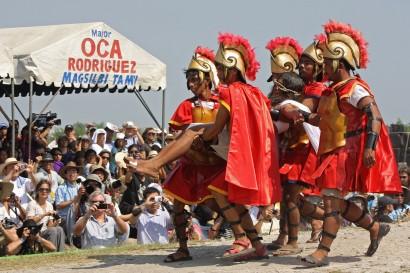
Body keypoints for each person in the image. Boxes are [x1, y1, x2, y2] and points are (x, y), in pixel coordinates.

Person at [134, 33, 282, 260]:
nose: (219, 72)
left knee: (225, 194)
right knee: (185, 204)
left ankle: (248, 240)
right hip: (197, 160)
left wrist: (203, 138)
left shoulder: (230, 92)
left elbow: (217, 127)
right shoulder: (252, 92)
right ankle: (249, 246)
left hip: (221, 156)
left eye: (222, 68)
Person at [293, 20, 402, 267]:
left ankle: (322, 252)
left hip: (346, 151)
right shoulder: (333, 90)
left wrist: (369, 148)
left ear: (339, 63)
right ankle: (375, 227)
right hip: (331, 150)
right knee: (336, 202)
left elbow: (374, 116)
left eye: (327, 62)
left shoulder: (354, 89)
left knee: (331, 201)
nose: (324, 67)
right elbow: (323, 120)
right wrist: (302, 116)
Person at [161, 46, 225, 262]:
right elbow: (179, 136)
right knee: (178, 204)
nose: (190, 85)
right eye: (188, 80)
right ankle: (182, 248)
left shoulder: (221, 104)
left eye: (194, 79)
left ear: (207, 78)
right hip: (190, 163)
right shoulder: (186, 106)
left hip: (216, 163)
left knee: (220, 204)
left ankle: (245, 239)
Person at [269, 38, 327, 255]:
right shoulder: (299, 86)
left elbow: (302, 111)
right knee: (286, 195)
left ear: (318, 67)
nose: (301, 65)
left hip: (304, 147)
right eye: (300, 62)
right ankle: (287, 235)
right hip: (291, 145)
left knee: (290, 196)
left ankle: (293, 241)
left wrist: (278, 107)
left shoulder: (318, 88)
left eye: (307, 62)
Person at [26, 180, 65, 252]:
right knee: (53, 230)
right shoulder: (32, 204)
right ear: (37, 190)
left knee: (59, 228)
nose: (44, 191)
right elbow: (29, 223)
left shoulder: (49, 204)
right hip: (35, 232)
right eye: (42, 189)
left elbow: (50, 226)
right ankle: (52, 253)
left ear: (49, 191)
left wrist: (56, 222)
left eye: (47, 189)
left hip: (45, 231)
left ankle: (60, 253)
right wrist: (44, 214)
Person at [55, 162, 83, 236]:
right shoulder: (61, 188)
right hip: (64, 217)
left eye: (74, 171)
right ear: (65, 175)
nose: (72, 174)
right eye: (69, 172)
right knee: (70, 219)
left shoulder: (80, 187)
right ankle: (71, 241)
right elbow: (58, 205)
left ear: (77, 174)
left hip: (78, 216)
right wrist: (73, 199)